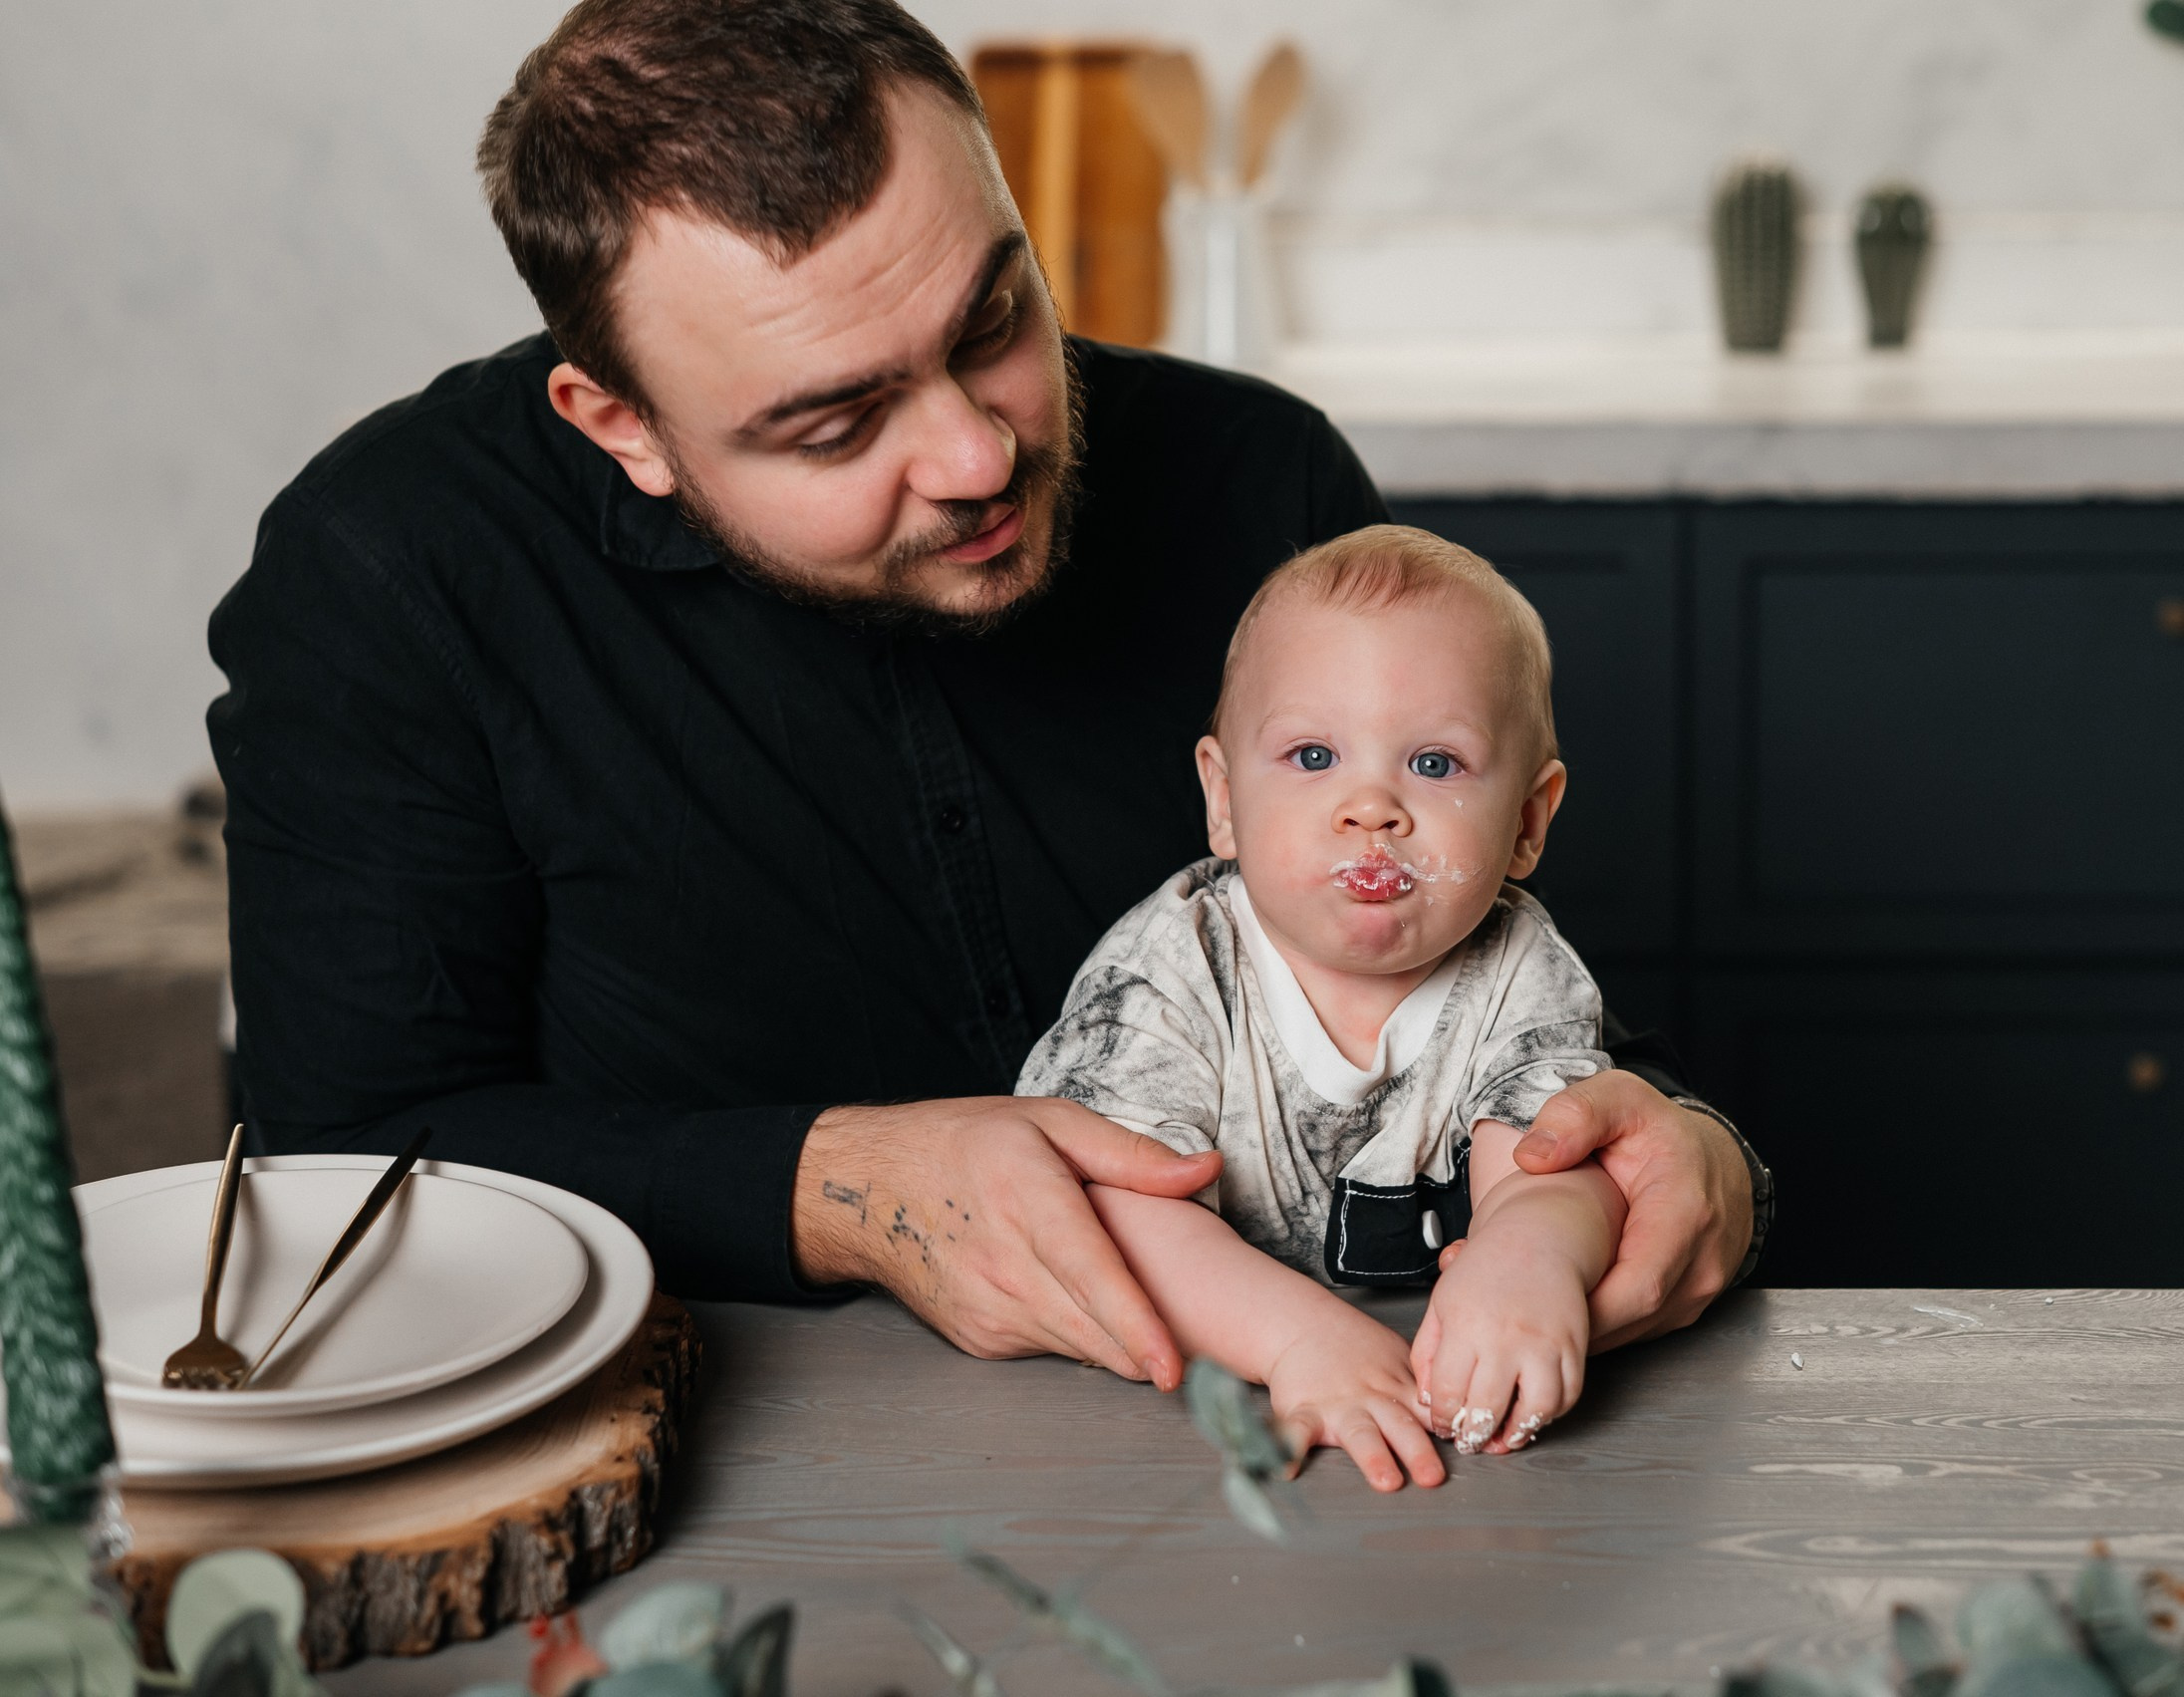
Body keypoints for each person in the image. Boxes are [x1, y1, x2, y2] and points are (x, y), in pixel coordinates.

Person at [206, 0, 1773, 1386]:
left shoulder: (1257, 476)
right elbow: (359, 1157)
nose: (976, 454)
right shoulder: (389, 572)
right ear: (619, 421)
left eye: (992, 322)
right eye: (835, 424)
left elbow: (1469, 986)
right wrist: (844, 1186)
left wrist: (1689, 1152)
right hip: (707, 1445)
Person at [1019, 527, 1628, 1491]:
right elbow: (1109, 1210)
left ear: (1528, 821)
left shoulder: (1521, 966)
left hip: (1439, 1416)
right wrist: (1301, 1338)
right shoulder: (1176, 965)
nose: (1371, 806)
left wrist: (1531, 1257)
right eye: (1312, 755)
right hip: (1177, 1425)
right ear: (1222, 800)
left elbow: (1554, 1157)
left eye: (1434, 764)